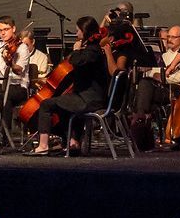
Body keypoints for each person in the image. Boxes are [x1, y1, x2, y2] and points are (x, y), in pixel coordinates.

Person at [31, 16, 119, 155]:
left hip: (89, 100)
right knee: (64, 105)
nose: (76, 34)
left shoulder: (92, 52)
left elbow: (76, 61)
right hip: (90, 97)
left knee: (46, 104)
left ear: (85, 32)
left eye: (78, 31)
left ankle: (43, 145)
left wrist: (76, 49)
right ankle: (73, 141)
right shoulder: (94, 50)